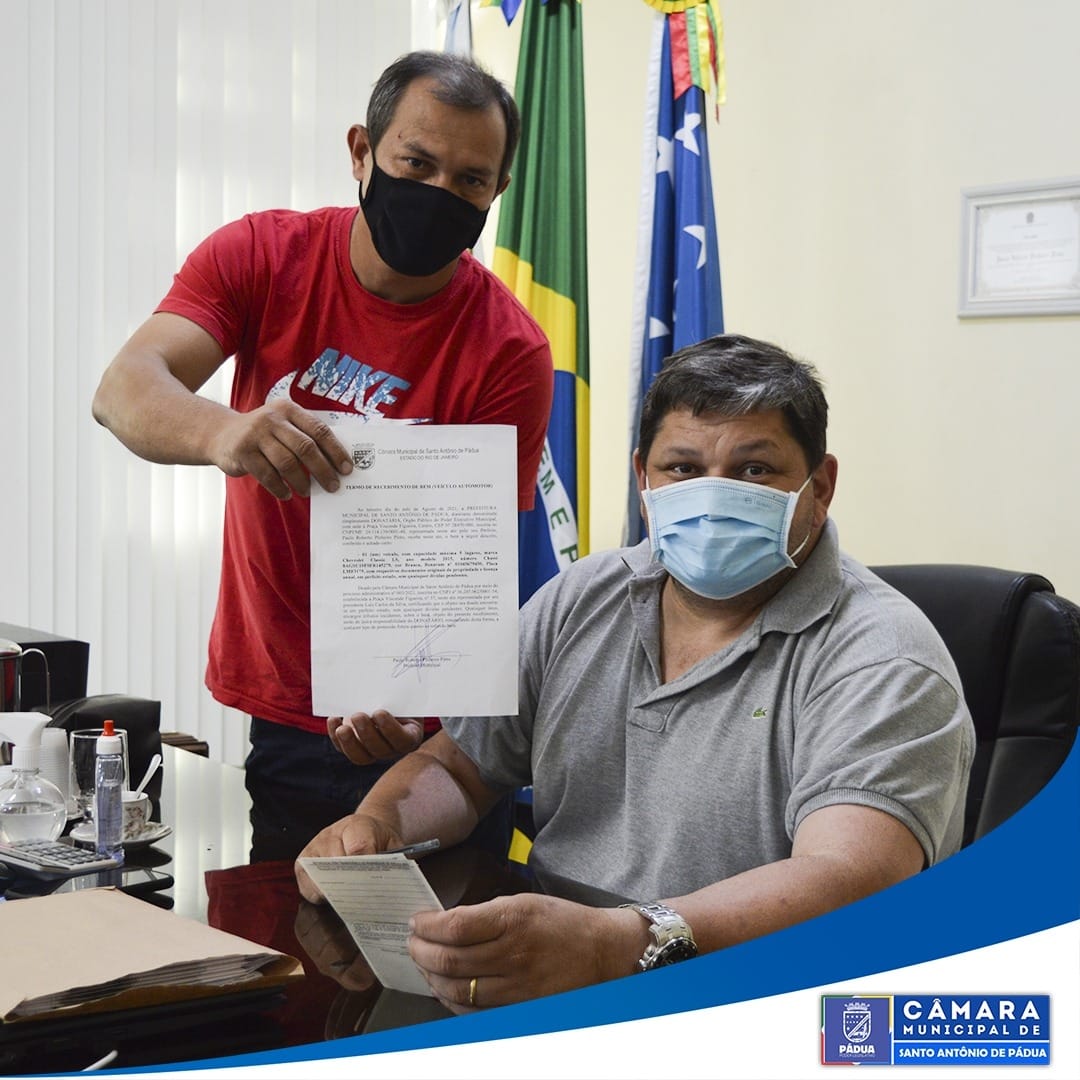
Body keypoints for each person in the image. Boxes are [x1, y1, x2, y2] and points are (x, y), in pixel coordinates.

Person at [296, 333, 975, 1012]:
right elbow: (463, 767)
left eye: (754, 469)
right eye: (683, 467)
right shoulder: (582, 597)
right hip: (550, 977)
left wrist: (618, 944)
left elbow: (850, 878)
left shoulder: (885, 657)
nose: (713, 495)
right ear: (642, 480)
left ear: (818, 486)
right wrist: (379, 826)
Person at [92, 51, 554, 862]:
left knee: (445, 937)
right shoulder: (264, 255)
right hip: (288, 708)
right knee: (288, 927)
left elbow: (477, 562)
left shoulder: (509, 348)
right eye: (418, 163)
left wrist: (421, 706)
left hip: (433, 739)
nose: (440, 193)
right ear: (362, 152)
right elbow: (125, 389)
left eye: (471, 180)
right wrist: (223, 433)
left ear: (498, 191)